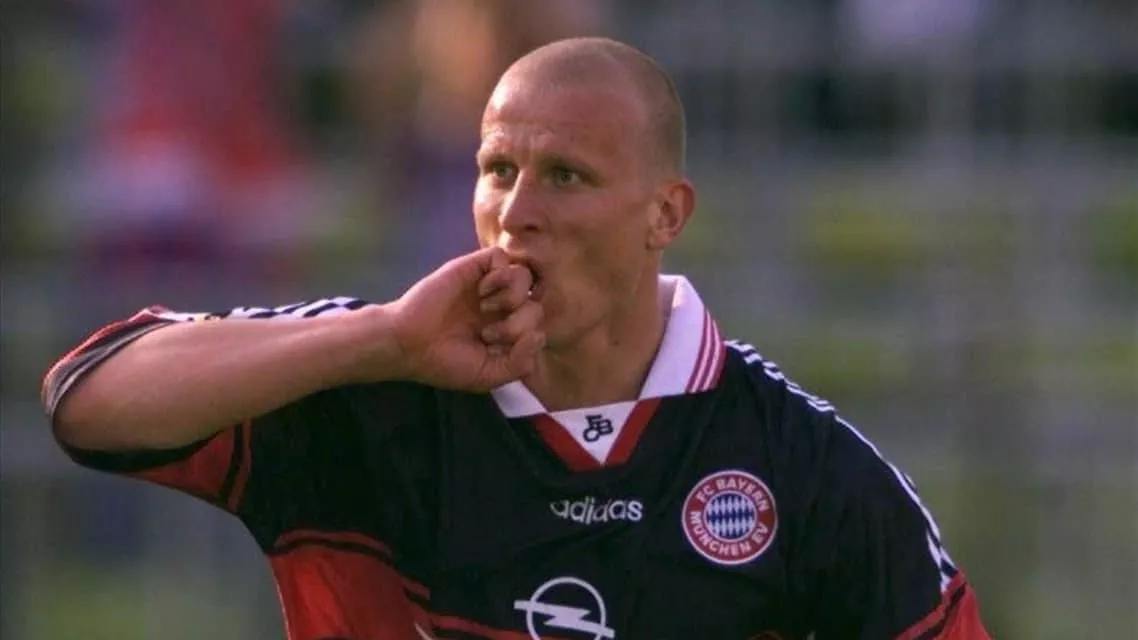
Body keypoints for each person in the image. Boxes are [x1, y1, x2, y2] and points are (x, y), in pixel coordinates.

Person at [43, 37, 990, 640]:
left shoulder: (806, 466)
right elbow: (87, 403)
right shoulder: (375, 380)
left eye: (566, 176)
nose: (516, 212)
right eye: (498, 169)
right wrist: (382, 340)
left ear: (666, 214)